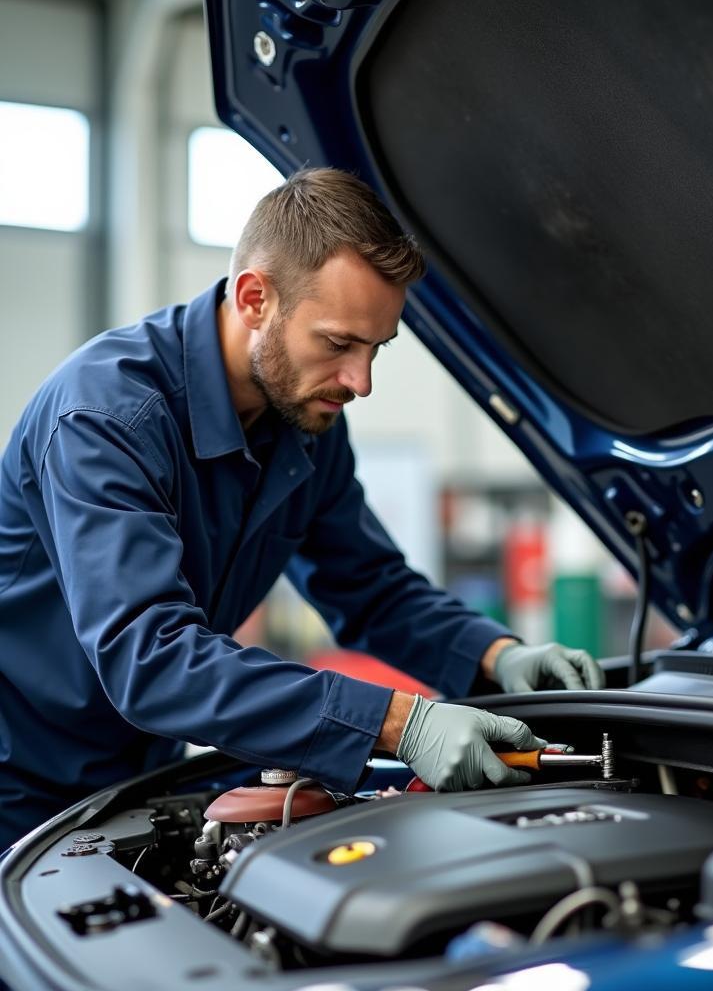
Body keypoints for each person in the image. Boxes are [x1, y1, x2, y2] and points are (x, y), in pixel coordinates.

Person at [0, 167, 603, 852]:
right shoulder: (106, 417)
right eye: (339, 343)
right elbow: (153, 658)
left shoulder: (306, 425)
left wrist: (497, 654)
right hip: (16, 778)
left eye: (376, 348)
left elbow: (370, 589)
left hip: (138, 776)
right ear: (255, 298)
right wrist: (399, 722)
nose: (361, 382)